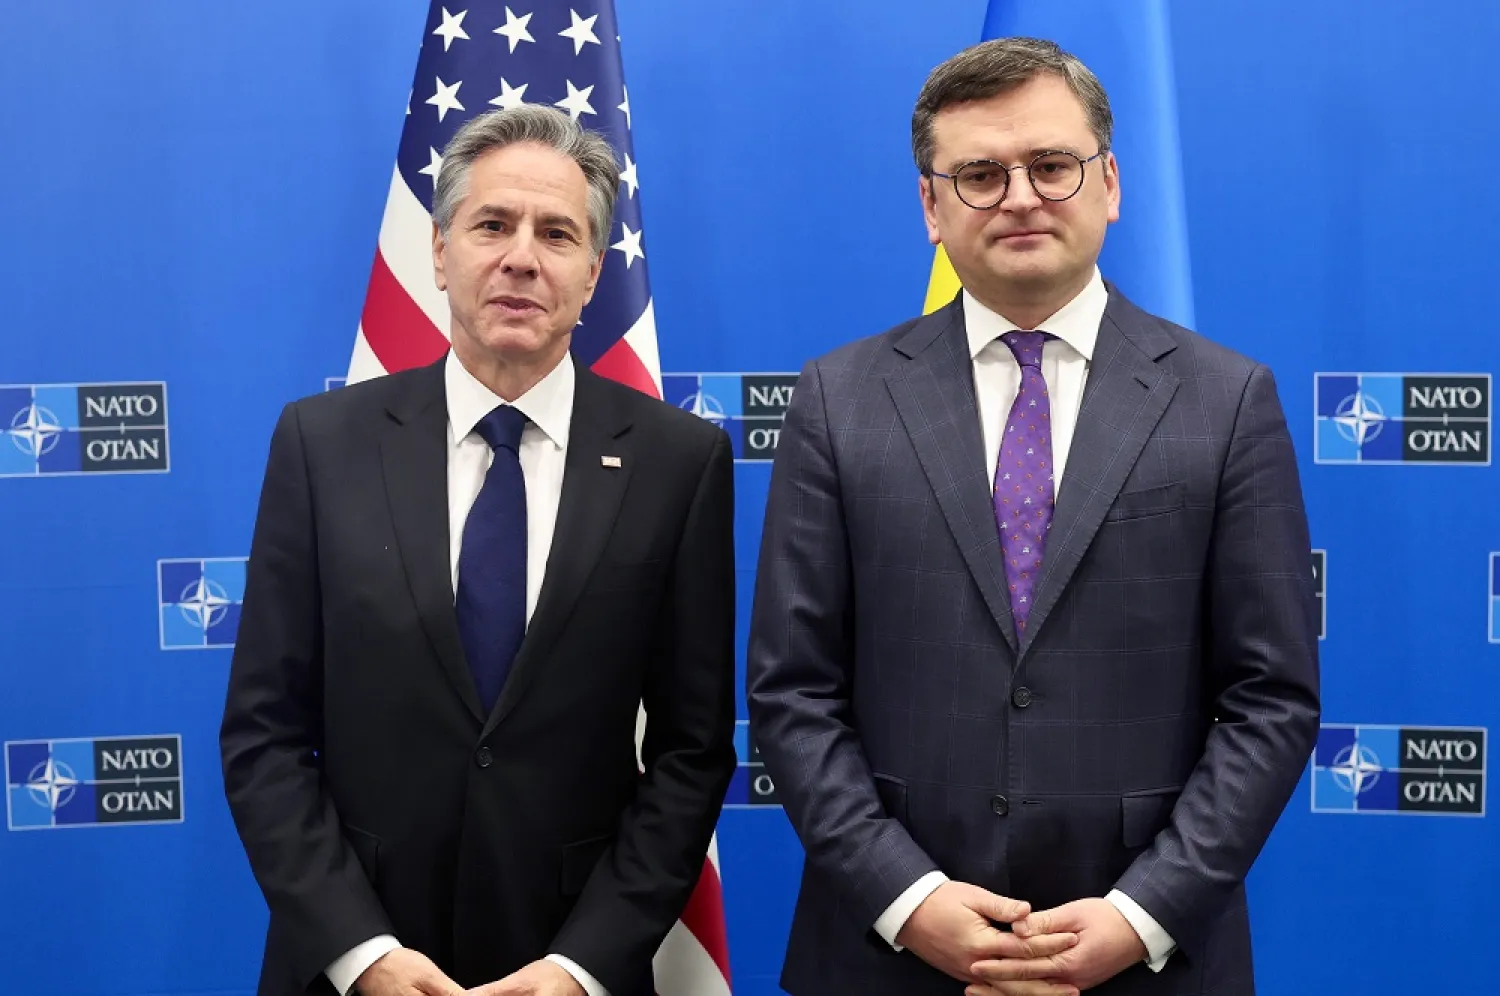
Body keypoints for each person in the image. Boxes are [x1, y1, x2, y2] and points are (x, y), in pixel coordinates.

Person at [746, 36, 1319, 996]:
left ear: (1110, 184)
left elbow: (1271, 700)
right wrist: (909, 900)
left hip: (1147, 965)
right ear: (931, 206)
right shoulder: (837, 399)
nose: (1018, 196)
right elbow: (791, 693)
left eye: (1051, 165)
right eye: (978, 173)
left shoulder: (1226, 400)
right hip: (887, 958)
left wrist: (1143, 915)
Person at [220, 105, 737, 996]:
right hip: (352, 963)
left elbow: (691, 753)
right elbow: (263, 736)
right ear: (439, 251)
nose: (521, 257)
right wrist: (363, 953)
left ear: (590, 274)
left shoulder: (679, 463)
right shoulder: (321, 443)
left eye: (557, 233)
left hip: (573, 959)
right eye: (491, 224)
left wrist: (581, 967)